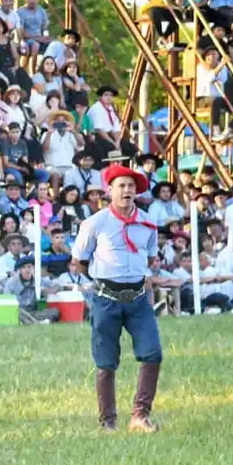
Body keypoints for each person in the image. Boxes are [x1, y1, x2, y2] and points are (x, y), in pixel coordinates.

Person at [70, 162, 164, 432]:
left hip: (137, 297)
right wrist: (102, 279)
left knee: (152, 353)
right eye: (121, 186)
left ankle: (140, 415)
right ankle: (108, 421)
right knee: (106, 361)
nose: (126, 191)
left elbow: (149, 257)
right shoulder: (95, 223)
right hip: (105, 298)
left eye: (131, 186)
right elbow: (80, 261)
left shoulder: (147, 222)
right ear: (109, 190)